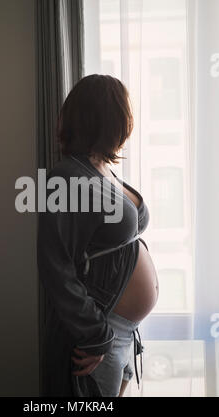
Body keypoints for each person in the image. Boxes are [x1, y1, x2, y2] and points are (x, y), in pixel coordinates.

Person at [37, 74, 159, 397]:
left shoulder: (101, 168)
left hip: (123, 333)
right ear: (106, 118)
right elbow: (55, 265)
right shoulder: (66, 176)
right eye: (123, 114)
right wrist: (96, 332)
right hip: (99, 339)